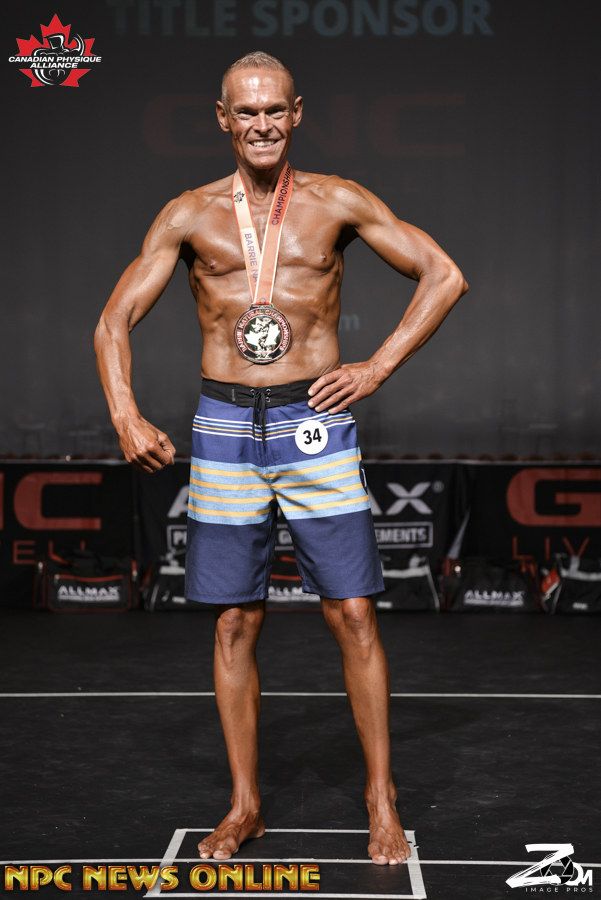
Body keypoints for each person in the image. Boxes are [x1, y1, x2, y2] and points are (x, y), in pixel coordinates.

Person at [94, 51, 468, 866]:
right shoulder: (188, 214)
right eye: (245, 112)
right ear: (222, 119)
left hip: (313, 423)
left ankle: (380, 796)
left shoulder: (337, 201)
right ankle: (244, 805)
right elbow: (113, 320)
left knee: (353, 612)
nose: (260, 125)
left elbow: (443, 275)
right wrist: (124, 412)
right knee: (234, 620)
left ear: (295, 114)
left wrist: (375, 368)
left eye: (273, 110)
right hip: (224, 427)